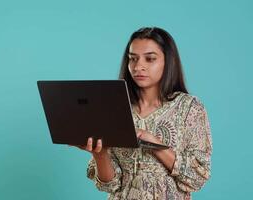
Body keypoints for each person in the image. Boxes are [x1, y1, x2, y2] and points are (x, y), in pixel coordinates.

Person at [77, 27, 212, 200]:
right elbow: (109, 185)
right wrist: (99, 154)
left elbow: (198, 177)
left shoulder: (189, 108)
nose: (138, 66)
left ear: (168, 61)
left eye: (150, 59)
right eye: (133, 59)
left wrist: (155, 144)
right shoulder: (114, 107)